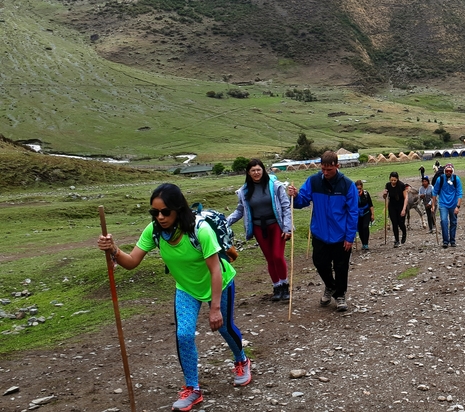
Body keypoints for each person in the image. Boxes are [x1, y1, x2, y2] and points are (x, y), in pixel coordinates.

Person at [97, 183, 251, 411]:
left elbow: (216, 269)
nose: (159, 217)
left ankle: (242, 360)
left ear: (178, 209)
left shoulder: (200, 230)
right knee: (184, 334)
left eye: (165, 212)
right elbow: (131, 262)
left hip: (219, 282)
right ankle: (192, 389)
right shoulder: (154, 231)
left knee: (224, 328)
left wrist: (215, 308)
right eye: (155, 212)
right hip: (187, 289)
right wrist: (113, 250)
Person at [286, 151, 358, 312]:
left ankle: (340, 296)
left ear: (337, 166)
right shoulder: (313, 181)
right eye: (323, 169)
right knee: (319, 263)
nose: (325, 173)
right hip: (320, 232)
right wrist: (296, 195)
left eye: (329, 170)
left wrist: (350, 237)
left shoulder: (348, 185)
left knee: (341, 267)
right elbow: (301, 201)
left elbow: (353, 212)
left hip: (341, 235)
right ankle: (331, 287)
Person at [226, 159, 294, 302]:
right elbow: (240, 210)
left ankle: (285, 285)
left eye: (258, 169)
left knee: (277, 256)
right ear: (248, 173)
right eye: (253, 170)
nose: (256, 173)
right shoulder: (244, 191)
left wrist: (287, 228)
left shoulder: (275, 186)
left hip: (276, 225)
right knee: (269, 258)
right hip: (258, 227)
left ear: (263, 170)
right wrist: (225, 222)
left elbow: (286, 206)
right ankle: (276, 286)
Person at [432, 163, 463, 248]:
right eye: (447, 171)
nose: (448, 172)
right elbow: (434, 192)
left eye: (450, 171)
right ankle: (445, 241)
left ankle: (452, 240)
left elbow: (460, 193)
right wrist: (433, 205)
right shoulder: (440, 179)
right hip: (443, 204)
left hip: (453, 204)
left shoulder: (456, 179)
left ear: (452, 171)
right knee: (444, 221)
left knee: (453, 222)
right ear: (445, 171)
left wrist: (458, 206)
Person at [382, 171, 408, 247]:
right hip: (392, 206)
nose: (393, 182)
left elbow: (406, 198)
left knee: (401, 223)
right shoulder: (388, 185)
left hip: (401, 205)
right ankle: (396, 240)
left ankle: (404, 232)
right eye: (391, 180)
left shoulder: (401, 185)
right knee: (394, 223)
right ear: (390, 179)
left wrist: (404, 209)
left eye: (394, 180)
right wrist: (384, 194)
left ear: (397, 179)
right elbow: (385, 197)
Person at [356, 180, 375, 250]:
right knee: (360, 228)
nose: (358, 190)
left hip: (366, 212)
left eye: (360, 188)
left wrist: (372, 214)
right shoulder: (353, 195)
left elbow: (370, 205)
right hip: (357, 213)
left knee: (365, 226)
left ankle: (366, 243)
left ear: (362, 187)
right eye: (357, 189)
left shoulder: (366, 194)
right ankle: (363, 243)